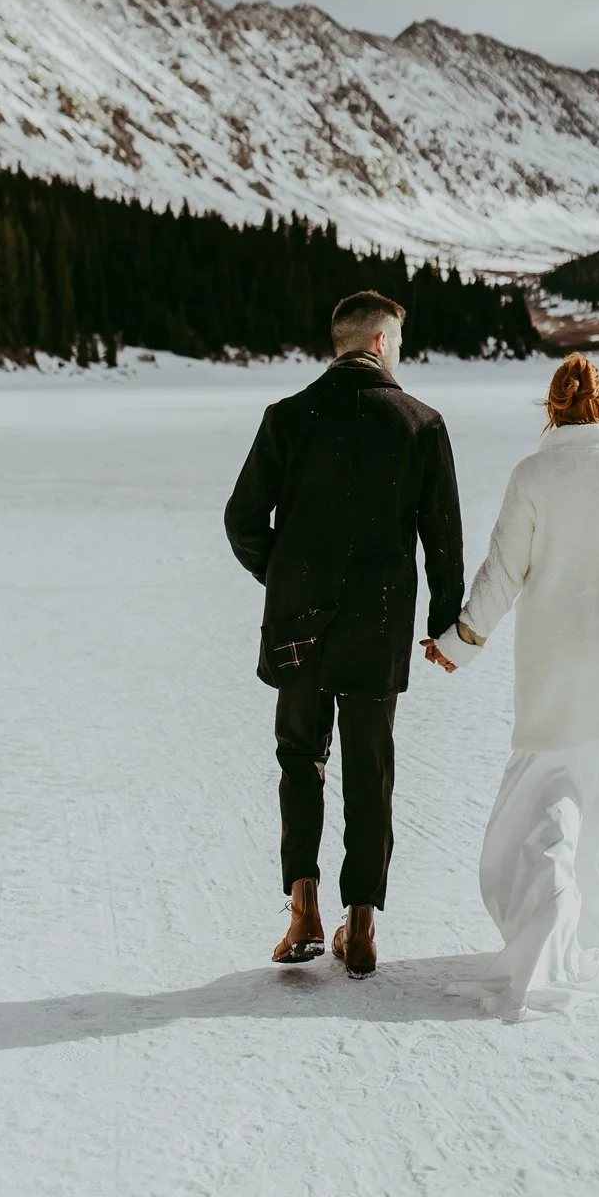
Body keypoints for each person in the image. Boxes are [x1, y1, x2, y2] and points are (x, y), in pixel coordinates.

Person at [428, 353, 599, 1020]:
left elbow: (502, 573)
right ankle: (598, 935)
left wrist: (459, 643)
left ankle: (547, 939)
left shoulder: (533, 475)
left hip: (552, 670)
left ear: (552, 407)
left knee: (546, 807)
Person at [224, 289, 464, 978]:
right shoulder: (420, 423)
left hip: (299, 621)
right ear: (384, 343)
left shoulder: (288, 417)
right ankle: (360, 927)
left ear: (342, 343)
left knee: (300, 758)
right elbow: (442, 542)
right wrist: (443, 628)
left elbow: (243, 520)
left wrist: (286, 579)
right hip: (379, 623)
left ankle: (303, 906)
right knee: (369, 770)